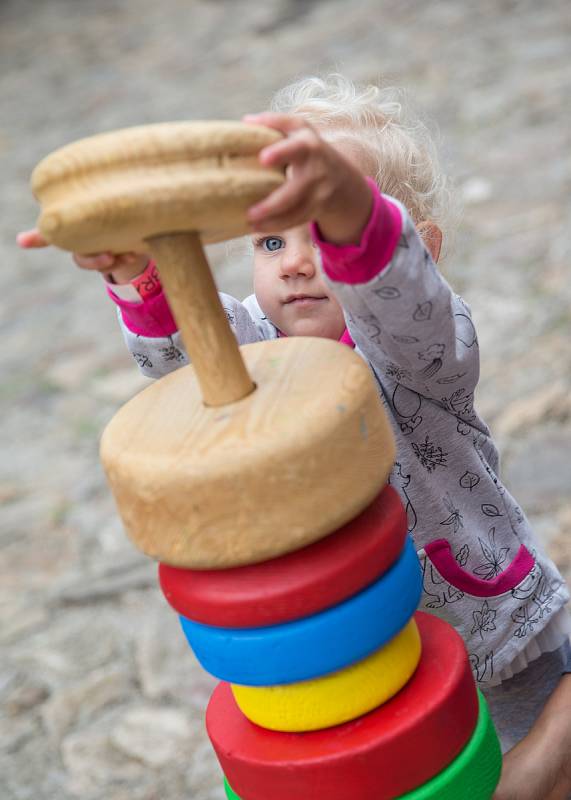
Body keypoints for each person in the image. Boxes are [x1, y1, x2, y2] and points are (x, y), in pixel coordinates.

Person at [19, 75, 571, 798]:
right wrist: (144, 275)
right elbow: (191, 361)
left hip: (489, 636)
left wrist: (355, 217)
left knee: (530, 772)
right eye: (272, 238)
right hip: (361, 664)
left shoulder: (420, 349)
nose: (294, 261)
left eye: (325, 232)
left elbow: (399, 302)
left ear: (420, 248)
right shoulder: (259, 344)